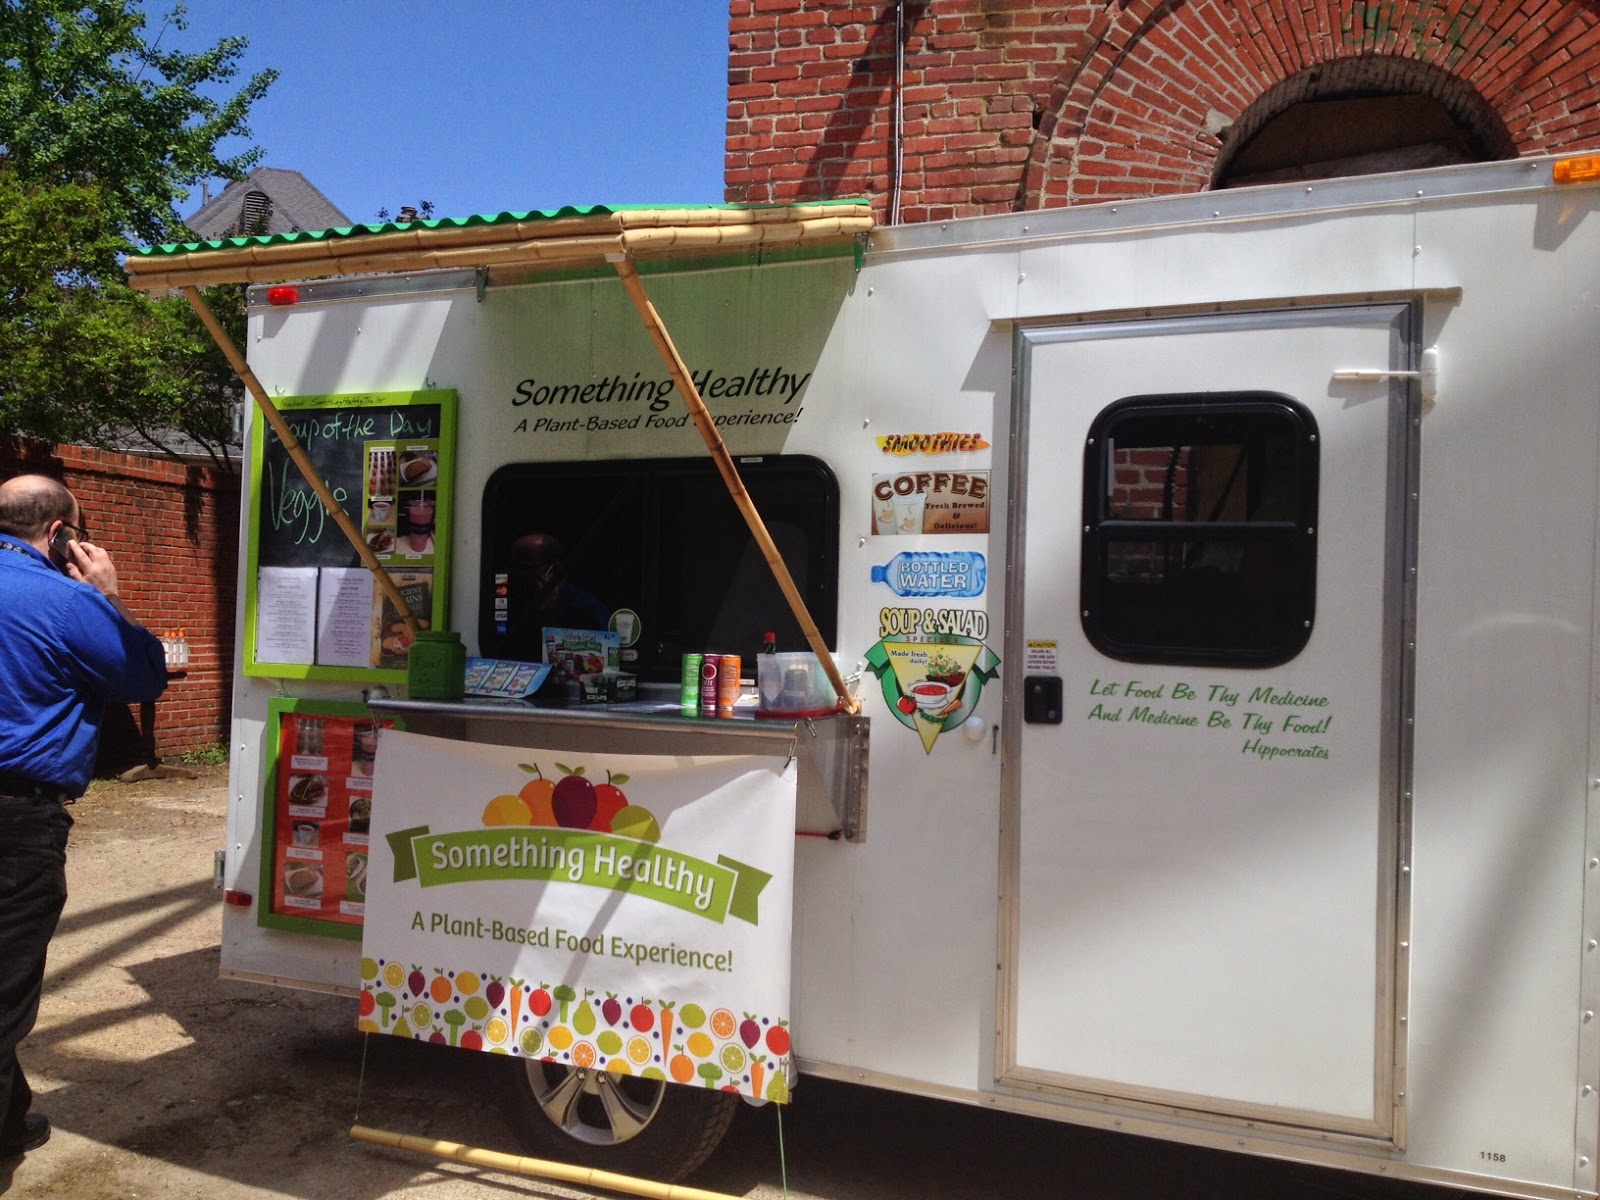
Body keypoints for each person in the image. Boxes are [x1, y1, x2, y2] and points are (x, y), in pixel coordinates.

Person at [0, 474, 168, 1160]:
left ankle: (11, 1123)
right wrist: (109, 595)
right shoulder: (68, 601)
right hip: (17, 821)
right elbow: (143, 677)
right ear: (61, 532)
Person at [504, 532, 611, 660]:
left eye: (524, 567)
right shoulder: (514, 602)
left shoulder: (587, 609)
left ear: (552, 570)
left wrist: (547, 615)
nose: (514, 574)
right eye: (512, 567)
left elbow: (591, 665)